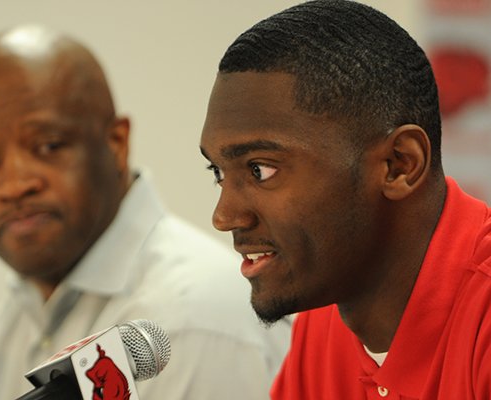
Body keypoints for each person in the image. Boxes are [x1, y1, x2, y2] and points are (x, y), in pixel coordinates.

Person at [0, 24, 290, 400]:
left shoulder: (195, 321)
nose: (13, 185)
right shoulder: (8, 327)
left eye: (47, 145)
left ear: (116, 143)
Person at [200, 1, 491, 399]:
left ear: (399, 164)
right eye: (218, 172)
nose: (224, 216)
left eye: (260, 170)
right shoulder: (326, 312)